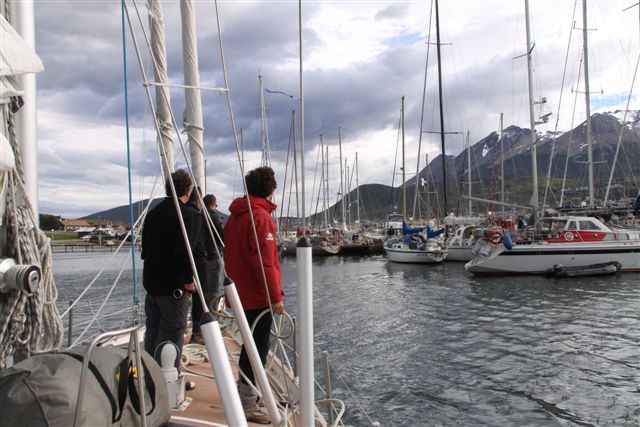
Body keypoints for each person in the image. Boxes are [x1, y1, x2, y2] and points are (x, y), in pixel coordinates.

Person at [224, 166, 284, 424]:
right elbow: (266, 262)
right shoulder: (261, 218)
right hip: (257, 295)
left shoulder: (235, 217)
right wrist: (276, 296)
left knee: (249, 345)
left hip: (239, 293)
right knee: (256, 348)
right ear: (270, 189)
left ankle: (245, 392)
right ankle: (248, 402)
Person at [141, 169, 200, 375]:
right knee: (173, 330)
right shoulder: (188, 216)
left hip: (152, 282)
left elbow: (145, 248)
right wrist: (187, 281)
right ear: (188, 190)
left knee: (153, 328)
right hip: (173, 286)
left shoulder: (153, 213)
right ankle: (168, 379)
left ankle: (150, 373)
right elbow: (184, 252)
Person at [187, 188, 208, 345]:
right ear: (197, 199)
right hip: (197, 261)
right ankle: (197, 332)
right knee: (200, 297)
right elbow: (192, 245)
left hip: (189, 262)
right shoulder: (195, 216)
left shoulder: (181, 213)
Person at [203, 194, 224, 305]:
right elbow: (222, 236)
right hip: (212, 255)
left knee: (203, 287)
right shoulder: (215, 216)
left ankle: (202, 311)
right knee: (213, 288)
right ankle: (212, 312)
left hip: (200, 256)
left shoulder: (197, 215)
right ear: (212, 204)